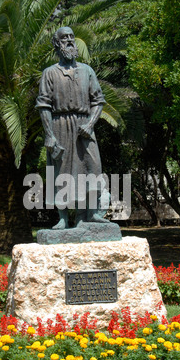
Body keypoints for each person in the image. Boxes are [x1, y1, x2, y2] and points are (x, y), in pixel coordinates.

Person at [36, 26, 109, 229]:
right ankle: (62, 218)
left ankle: (88, 215)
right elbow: (43, 105)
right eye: (64, 38)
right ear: (57, 44)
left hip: (84, 127)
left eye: (71, 38)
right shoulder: (49, 73)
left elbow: (98, 101)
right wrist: (49, 136)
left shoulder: (87, 71)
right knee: (62, 172)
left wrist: (90, 123)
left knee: (92, 168)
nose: (69, 41)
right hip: (59, 126)